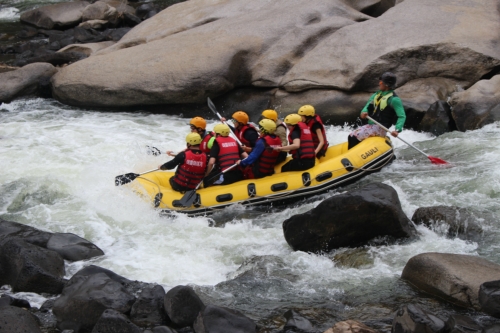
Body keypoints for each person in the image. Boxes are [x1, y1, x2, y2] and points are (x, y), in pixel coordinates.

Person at [348, 72, 406, 149]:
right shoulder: (376, 95)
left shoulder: (394, 100)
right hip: (372, 126)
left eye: (381, 81)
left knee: (353, 136)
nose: (379, 83)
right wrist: (363, 112)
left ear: (386, 84)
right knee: (351, 136)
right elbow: (366, 107)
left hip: (381, 128)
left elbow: (402, 116)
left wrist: (397, 130)